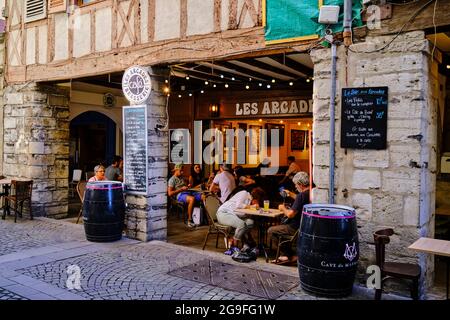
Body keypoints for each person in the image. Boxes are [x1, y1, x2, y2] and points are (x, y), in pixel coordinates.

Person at [268, 171, 310, 264]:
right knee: (281, 227)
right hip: (303, 226)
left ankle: (287, 255)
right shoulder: (310, 193)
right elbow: (300, 199)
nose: (295, 187)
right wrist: (290, 194)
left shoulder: (301, 196)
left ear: (300, 184)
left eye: (296, 185)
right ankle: (290, 254)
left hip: (295, 227)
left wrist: (283, 208)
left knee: (271, 230)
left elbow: (291, 214)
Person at [216, 187, 266, 256]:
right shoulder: (244, 193)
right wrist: (251, 207)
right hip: (224, 213)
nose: (258, 203)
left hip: (234, 215)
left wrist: (252, 208)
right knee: (241, 224)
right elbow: (238, 205)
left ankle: (245, 244)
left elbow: (243, 215)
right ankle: (234, 246)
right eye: (258, 201)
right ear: (256, 198)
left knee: (250, 222)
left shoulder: (250, 202)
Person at [167, 164, 202, 228]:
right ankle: (189, 220)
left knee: (203, 196)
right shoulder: (172, 180)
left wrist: (188, 186)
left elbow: (185, 186)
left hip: (187, 192)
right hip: (179, 195)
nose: (182, 172)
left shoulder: (181, 177)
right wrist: (181, 189)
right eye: (181, 171)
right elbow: (170, 193)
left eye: (182, 170)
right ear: (176, 170)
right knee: (192, 199)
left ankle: (204, 219)